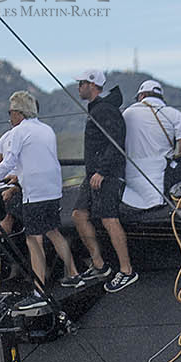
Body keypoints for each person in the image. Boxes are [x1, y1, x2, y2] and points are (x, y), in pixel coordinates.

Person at [0, 91, 77, 306]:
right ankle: (74, 274)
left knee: (33, 240)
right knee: (53, 231)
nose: (9, 117)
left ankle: (39, 292)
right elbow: (38, 160)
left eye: (10, 112)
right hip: (52, 190)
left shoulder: (18, 132)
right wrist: (18, 176)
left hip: (35, 194)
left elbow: (9, 160)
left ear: (18, 112)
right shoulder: (46, 129)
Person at [118, 80, 181, 290]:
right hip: (161, 181)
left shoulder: (127, 113)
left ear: (141, 96)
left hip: (130, 183)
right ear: (160, 96)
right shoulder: (175, 115)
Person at [65, 69, 128, 288]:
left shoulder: (105, 110)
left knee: (109, 219)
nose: (78, 87)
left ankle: (127, 270)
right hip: (94, 175)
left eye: (81, 83)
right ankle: (100, 264)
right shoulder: (98, 109)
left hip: (106, 175)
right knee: (78, 215)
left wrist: (102, 171)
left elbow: (116, 142)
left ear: (92, 85)